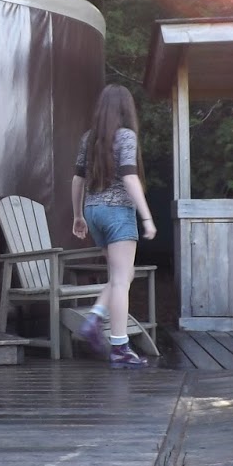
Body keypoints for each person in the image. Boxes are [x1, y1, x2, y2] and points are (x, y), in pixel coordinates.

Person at [70, 84, 154, 369]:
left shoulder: (88, 139)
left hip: (94, 211)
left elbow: (77, 179)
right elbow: (130, 178)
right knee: (121, 280)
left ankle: (95, 316)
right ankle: (119, 347)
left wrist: (77, 215)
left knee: (122, 275)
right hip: (118, 212)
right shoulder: (126, 136)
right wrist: (147, 217)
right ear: (125, 109)